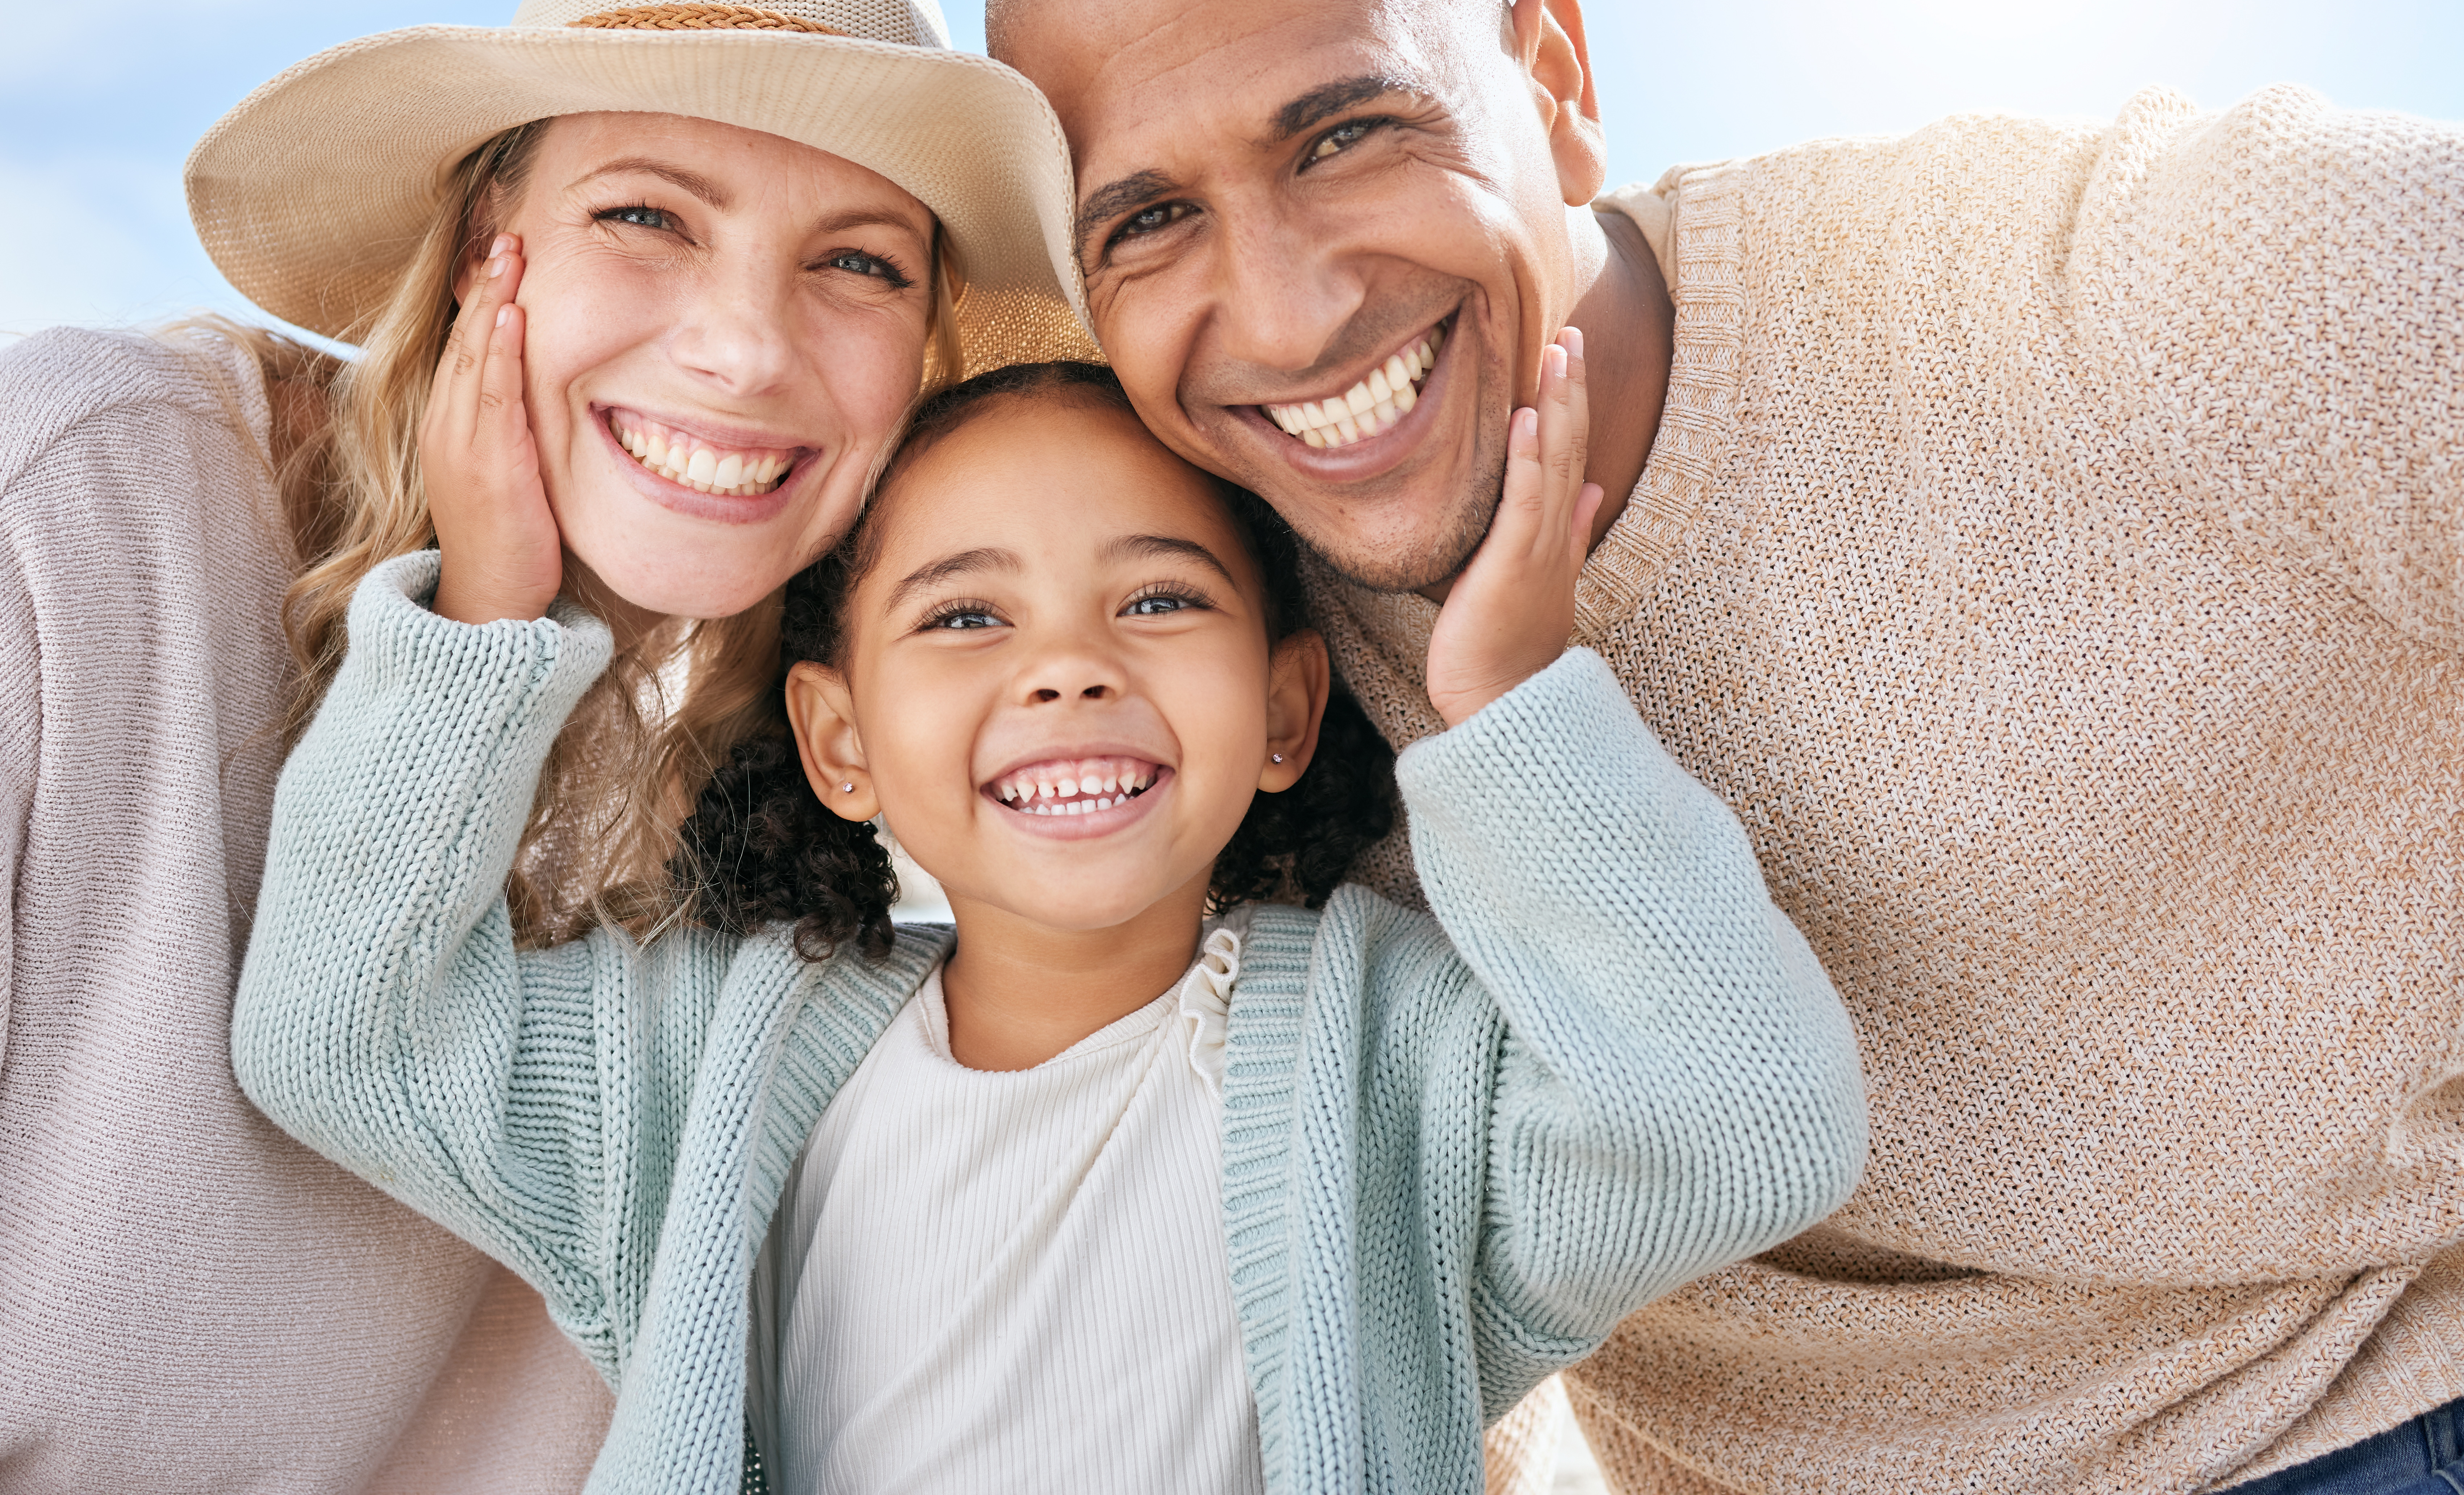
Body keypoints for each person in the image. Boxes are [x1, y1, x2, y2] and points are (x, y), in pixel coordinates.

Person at [978, 0, 2464, 1495]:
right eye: (1151, 220)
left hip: (2355, 1405)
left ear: (1553, 83)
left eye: (1349, 133)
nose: (1293, 312)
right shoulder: (1204, 655)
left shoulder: (2147, 291)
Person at [0, 0, 1077, 1491]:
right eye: (644, 216)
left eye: (860, 260)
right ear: (483, 245)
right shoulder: (96, 501)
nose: (745, 343)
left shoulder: (828, 801)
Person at [230, 347, 1867, 1494]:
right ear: (839, 741)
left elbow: (1742, 1128)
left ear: (1289, 709)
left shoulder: (1406, 1071)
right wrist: (486, 613)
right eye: (963, 614)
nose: (1069, 665)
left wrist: (1508, 708)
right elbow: (341, 1036)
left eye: (1158, 598)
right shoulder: (704, 1062)